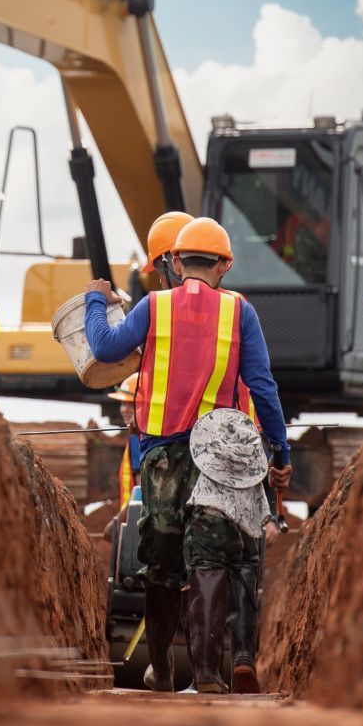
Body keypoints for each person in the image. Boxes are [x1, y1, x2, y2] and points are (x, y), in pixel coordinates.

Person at [83, 217, 292, 693]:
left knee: (161, 560)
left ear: (175, 262)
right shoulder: (240, 313)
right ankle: (207, 674)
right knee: (212, 558)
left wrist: (97, 299)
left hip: (162, 455)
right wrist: (281, 449)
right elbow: (262, 386)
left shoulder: (154, 306)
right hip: (218, 458)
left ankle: (162, 669)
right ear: (225, 265)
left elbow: (104, 346)